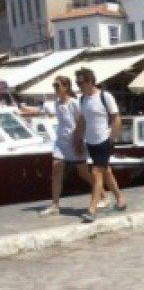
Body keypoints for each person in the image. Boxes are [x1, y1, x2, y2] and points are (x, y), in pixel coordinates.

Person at [39, 76, 108, 217]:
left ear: (66, 87)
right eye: (54, 86)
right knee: (56, 167)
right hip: (61, 142)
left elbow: (81, 122)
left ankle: (103, 194)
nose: (55, 88)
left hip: (75, 141)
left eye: (57, 86)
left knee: (82, 172)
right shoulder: (57, 103)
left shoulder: (74, 103)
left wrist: (79, 141)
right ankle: (55, 205)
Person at [74, 67, 126, 223]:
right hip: (91, 142)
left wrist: (111, 139)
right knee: (106, 172)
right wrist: (78, 139)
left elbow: (116, 119)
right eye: (77, 83)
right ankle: (120, 199)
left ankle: (92, 209)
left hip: (104, 141)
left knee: (96, 173)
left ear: (90, 81)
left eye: (81, 82)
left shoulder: (105, 96)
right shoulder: (82, 99)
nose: (79, 86)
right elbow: (83, 121)